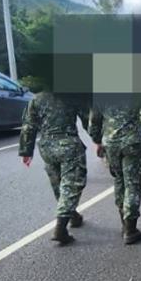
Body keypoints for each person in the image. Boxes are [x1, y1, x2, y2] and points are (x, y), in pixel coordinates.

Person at [18, 91, 90, 245]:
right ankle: (60, 228)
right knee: (71, 185)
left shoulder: (37, 99)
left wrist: (26, 151)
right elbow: (88, 119)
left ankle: (73, 216)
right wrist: (99, 139)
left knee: (58, 184)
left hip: (47, 147)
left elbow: (28, 125)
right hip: (68, 145)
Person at [89, 99, 141, 244]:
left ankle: (123, 223)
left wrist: (97, 141)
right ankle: (130, 229)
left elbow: (94, 121)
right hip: (132, 142)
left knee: (119, 179)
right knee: (133, 183)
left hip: (111, 143)